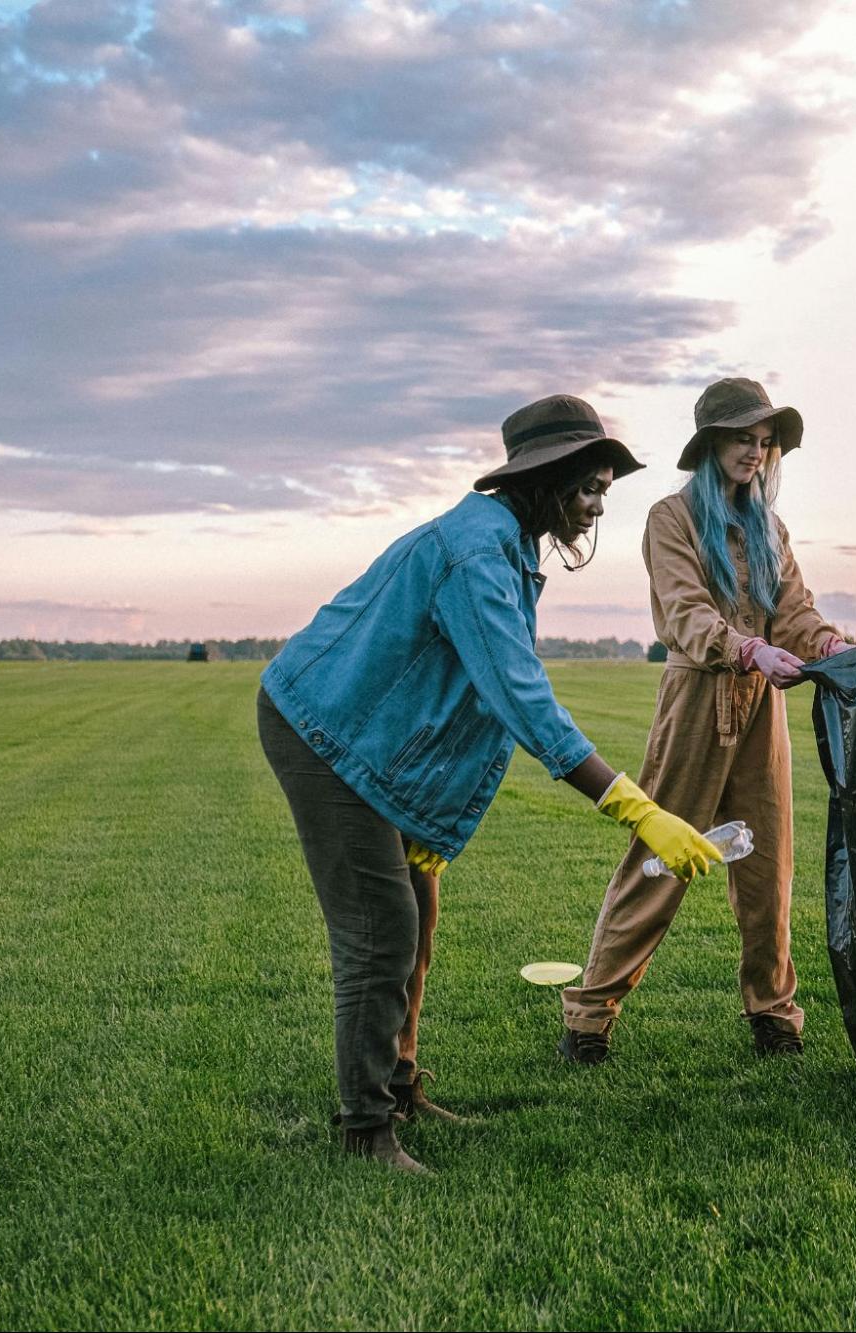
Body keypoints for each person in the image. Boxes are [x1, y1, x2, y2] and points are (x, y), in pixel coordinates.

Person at [259, 395, 723, 1173]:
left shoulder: (506, 545)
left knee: (419, 910)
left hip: (369, 739)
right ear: (542, 477)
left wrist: (429, 822)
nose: (597, 503)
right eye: (587, 485)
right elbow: (518, 696)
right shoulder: (478, 552)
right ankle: (364, 1131)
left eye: (604, 487)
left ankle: (399, 1083)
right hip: (323, 730)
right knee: (380, 932)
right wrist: (638, 810)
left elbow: (455, 700)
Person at [560, 378, 847, 1062]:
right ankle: (589, 1014)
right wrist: (746, 647)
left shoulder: (769, 527)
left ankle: (773, 1011)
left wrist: (829, 645)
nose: (756, 451)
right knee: (659, 858)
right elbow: (685, 611)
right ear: (712, 442)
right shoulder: (670, 518)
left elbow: (795, 611)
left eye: (765, 441)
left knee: (767, 867)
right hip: (695, 700)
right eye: (744, 438)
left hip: (760, 710)